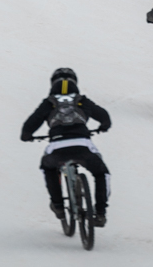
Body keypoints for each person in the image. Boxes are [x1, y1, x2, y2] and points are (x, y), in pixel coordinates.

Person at [21, 68, 111, 228]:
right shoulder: (81, 100)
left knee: (48, 168)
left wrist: (27, 136)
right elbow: (104, 116)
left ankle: (58, 206)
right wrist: (103, 126)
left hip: (57, 147)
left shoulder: (49, 103)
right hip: (83, 145)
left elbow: (30, 124)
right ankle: (100, 213)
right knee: (101, 173)